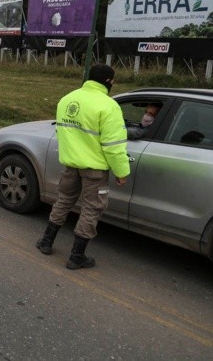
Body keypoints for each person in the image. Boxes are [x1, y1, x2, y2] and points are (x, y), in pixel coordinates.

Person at [35, 64, 130, 270]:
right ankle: (77, 256)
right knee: (91, 208)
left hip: (71, 165)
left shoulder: (67, 99)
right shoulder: (109, 106)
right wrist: (121, 172)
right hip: (94, 170)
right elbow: (113, 146)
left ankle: (46, 242)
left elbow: (62, 133)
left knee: (63, 201)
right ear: (109, 81)